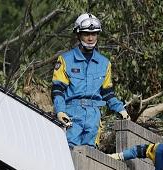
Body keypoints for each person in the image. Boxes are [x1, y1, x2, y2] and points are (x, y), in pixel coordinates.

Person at [52, 12, 129, 147]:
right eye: (86, 34)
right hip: (71, 114)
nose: (90, 38)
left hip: (93, 117)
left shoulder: (104, 63)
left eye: (94, 34)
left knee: (90, 154)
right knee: (69, 150)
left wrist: (120, 109)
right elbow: (58, 90)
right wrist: (60, 111)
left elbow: (108, 93)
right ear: (78, 34)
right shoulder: (65, 60)